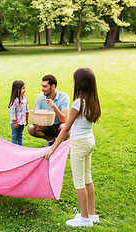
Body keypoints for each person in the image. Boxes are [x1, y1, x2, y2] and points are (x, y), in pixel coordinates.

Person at [43, 68, 101, 227]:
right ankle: (91, 214)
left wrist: (52, 149)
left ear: (80, 83)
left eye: (75, 80)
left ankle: (84, 219)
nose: (73, 83)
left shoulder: (78, 103)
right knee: (88, 179)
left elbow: (66, 128)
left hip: (80, 144)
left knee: (79, 182)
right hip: (89, 141)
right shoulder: (91, 100)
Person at [28, 75, 69, 146]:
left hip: (58, 126)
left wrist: (54, 106)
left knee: (65, 128)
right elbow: (36, 113)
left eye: (45, 86)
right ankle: (51, 140)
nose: (42, 89)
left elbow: (64, 120)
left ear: (52, 86)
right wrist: (38, 123)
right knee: (31, 128)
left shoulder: (64, 97)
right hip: (46, 125)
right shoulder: (40, 97)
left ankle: (60, 145)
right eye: (42, 86)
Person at [9, 80, 29, 146]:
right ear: (18, 90)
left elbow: (26, 110)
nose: (24, 90)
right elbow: (12, 113)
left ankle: (20, 147)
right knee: (15, 135)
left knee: (20, 135)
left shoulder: (24, 99)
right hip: (16, 122)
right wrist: (14, 122)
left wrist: (26, 119)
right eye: (23, 88)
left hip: (22, 122)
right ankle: (14, 147)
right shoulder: (14, 101)